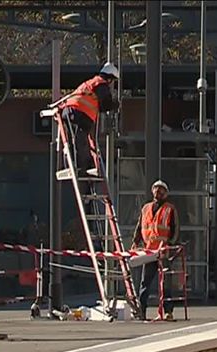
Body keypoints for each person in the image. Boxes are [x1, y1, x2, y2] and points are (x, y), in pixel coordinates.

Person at [131, 180, 180, 321]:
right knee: (145, 282)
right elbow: (140, 226)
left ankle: (168, 311)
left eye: (161, 190)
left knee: (165, 282)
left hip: (163, 251)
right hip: (149, 251)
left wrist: (170, 244)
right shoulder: (146, 208)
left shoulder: (170, 209)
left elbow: (175, 229)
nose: (158, 193)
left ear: (165, 193)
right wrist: (135, 241)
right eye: (156, 190)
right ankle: (142, 310)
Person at [60, 62, 120, 176]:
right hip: (82, 114)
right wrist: (115, 105)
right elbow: (106, 104)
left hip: (68, 111)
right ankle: (80, 167)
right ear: (110, 79)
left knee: (72, 141)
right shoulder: (101, 84)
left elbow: (99, 105)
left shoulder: (90, 83)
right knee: (81, 141)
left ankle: (70, 165)